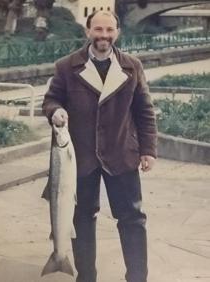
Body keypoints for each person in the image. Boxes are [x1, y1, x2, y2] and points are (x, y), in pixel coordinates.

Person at [42, 10, 157, 282]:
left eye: (109, 30)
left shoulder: (132, 66)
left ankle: (138, 277)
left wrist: (148, 149)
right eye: (98, 30)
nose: (103, 36)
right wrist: (55, 111)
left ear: (117, 32)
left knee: (132, 219)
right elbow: (50, 100)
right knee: (81, 218)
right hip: (79, 158)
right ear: (88, 31)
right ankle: (86, 277)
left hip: (121, 154)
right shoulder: (66, 66)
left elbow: (145, 111)